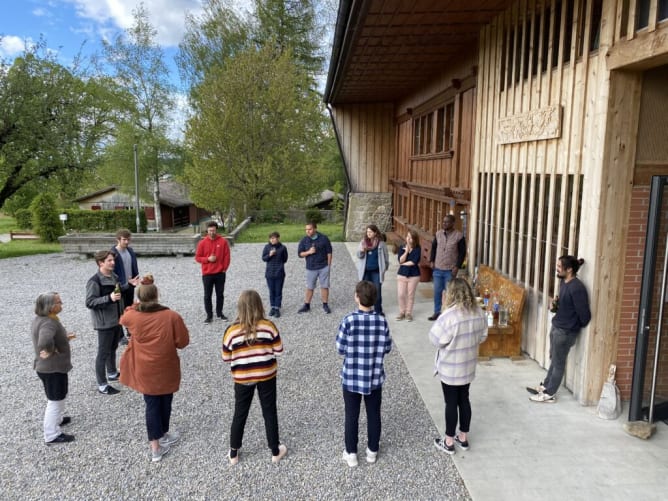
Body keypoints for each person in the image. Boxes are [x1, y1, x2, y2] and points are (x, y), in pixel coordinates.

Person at [119, 284, 190, 462]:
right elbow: (183, 342)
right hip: (165, 364)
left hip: (144, 366)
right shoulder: (171, 316)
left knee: (152, 403)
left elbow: (124, 317)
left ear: (139, 298)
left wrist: (136, 305)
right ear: (157, 295)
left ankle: (159, 440)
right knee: (165, 399)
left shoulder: (133, 317)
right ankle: (157, 444)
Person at [221, 290, 287, 465]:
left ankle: (234, 452)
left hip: (243, 377)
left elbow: (226, 357)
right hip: (266, 374)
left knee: (240, 412)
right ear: (260, 305)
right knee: (269, 411)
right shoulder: (268, 326)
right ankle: (274, 450)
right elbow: (279, 350)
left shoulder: (231, 331)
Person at [336, 280, 393, 467]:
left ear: (357, 297)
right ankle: (372, 451)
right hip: (374, 376)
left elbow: (340, 348)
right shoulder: (381, 321)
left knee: (351, 415)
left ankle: (351, 452)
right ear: (375, 300)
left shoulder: (349, 321)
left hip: (352, 376)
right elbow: (387, 347)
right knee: (373, 414)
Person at [429, 278, 487, 455]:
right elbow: (483, 336)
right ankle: (463, 437)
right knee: (464, 399)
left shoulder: (449, 316)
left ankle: (448, 441)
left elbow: (435, 339)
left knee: (451, 403)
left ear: (451, 293)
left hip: (450, 368)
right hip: (468, 365)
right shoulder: (478, 312)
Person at [530, 256, 591, 403]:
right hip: (557, 327)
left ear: (569, 269)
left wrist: (572, 326)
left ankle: (549, 393)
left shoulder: (577, 288)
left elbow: (585, 315)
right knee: (555, 359)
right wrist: (555, 306)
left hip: (565, 332)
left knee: (558, 363)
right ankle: (546, 386)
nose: (556, 268)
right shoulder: (564, 282)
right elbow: (564, 305)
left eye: (559, 266)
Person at [32, 292, 76, 444]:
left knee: (58, 395)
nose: (61, 303)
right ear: (50, 307)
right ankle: (51, 434)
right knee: (55, 399)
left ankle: (58, 419)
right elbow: (44, 341)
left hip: (46, 367)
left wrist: (63, 338)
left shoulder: (41, 319)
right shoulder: (48, 323)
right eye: (58, 302)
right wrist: (51, 350)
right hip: (52, 368)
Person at [85, 250, 124, 395]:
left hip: (116, 320)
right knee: (103, 352)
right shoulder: (94, 281)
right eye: (109, 260)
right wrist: (109, 298)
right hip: (104, 323)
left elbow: (118, 295)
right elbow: (89, 302)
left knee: (113, 347)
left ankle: (112, 373)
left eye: (113, 260)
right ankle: (102, 385)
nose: (113, 262)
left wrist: (130, 286)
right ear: (100, 263)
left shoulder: (114, 276)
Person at [428, 214, 466, 321]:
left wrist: (457, 266)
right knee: (437, 292)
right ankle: (437, 312)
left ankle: (449, 314)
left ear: (453, 223)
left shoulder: (459, 236)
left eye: (447, 222)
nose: (444, 224)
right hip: (438, 268)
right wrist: (431, 260)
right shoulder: (438, 234)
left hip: (450, 270)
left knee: (450, 293)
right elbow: (434, 247)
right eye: (443, 222)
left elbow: (462, 253)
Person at [195, 220, 231, 323]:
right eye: (210, 230)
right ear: (207, 230)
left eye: (213, 230)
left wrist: (224, 269)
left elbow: (227, 256)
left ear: (216, 230)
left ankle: (220, 313)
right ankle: (209, 315)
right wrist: (207, 259)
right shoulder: (202, 243)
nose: (212, 232)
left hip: (220, 273)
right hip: (207, 274)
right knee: (207, 295)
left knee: (220, 295)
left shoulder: (223, 241)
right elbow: (197, 258)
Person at [111, 228, 140, 345]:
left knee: (129, 308)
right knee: (118, 310)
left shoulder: (130, 251)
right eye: (124, 240)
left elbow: (134, 266)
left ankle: (130, 331)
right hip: (118, 286)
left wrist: (136, 278)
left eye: (128, 239)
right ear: (118, 240)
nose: (127, 242)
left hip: (130, 284)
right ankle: (120, 336)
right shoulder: (112, 254)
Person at [297, 221, 333, 314]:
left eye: (310, 229)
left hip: (323, 266)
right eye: (306, 229)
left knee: (324, 286)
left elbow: (329, 252)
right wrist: (308, 252)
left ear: (315, 229)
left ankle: (325, 304)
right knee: (310, 287)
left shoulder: (324, 238)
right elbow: (300, 254)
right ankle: (307, 305)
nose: (307, 231)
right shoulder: (304, 240)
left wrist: (328, 266)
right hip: (311, 267)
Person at [356, 224, 389, 315]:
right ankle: (365, 309)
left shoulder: (381, 244)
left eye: (370, 232)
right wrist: (362, 251)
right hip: (365, 271)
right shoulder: (363, 242)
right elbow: (358, 255)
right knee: (365, 291)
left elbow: (386, 258)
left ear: (375, 233)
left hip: (376, 272)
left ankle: (378, 310)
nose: (368, 233)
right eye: (367, 232)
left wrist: (384, 269)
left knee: (377, 291)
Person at [396, 228, 422, 322]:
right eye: (408, 237)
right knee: (401, 294)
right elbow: (400, 260)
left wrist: (402, 264)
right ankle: (402, 312)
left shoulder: (417, 249)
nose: (408, 239)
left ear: (415, 239)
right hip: (402, 274)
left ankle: (408, 313)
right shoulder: (402, 247)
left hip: (413, 275)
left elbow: (413, 262)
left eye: (411, 238)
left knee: (410, 295)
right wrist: (406, 251)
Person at [262, 231, 288, 318]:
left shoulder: (283, 248)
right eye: (271, 238)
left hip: (279, 273)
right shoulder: (267, 247)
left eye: (274, 238)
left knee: (278, 291)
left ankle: (277, 308)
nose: (272, 240)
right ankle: (272, 307)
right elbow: (264, 258)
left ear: (278, 238)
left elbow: (285, 259)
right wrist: (270, 255)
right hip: (269, 273)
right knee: (271, 291)